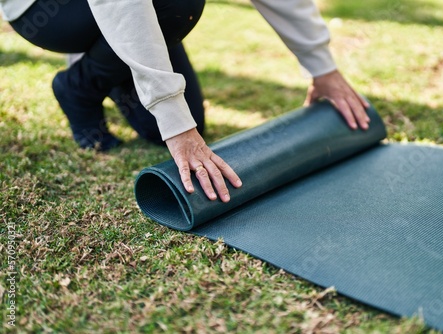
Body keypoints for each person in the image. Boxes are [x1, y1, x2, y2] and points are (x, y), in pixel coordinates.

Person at [1, 0, 370, 203]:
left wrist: (322, 69)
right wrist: (173, 119)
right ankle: (79, 87)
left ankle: (107, 67)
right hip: (45, 9)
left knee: (166, 125)